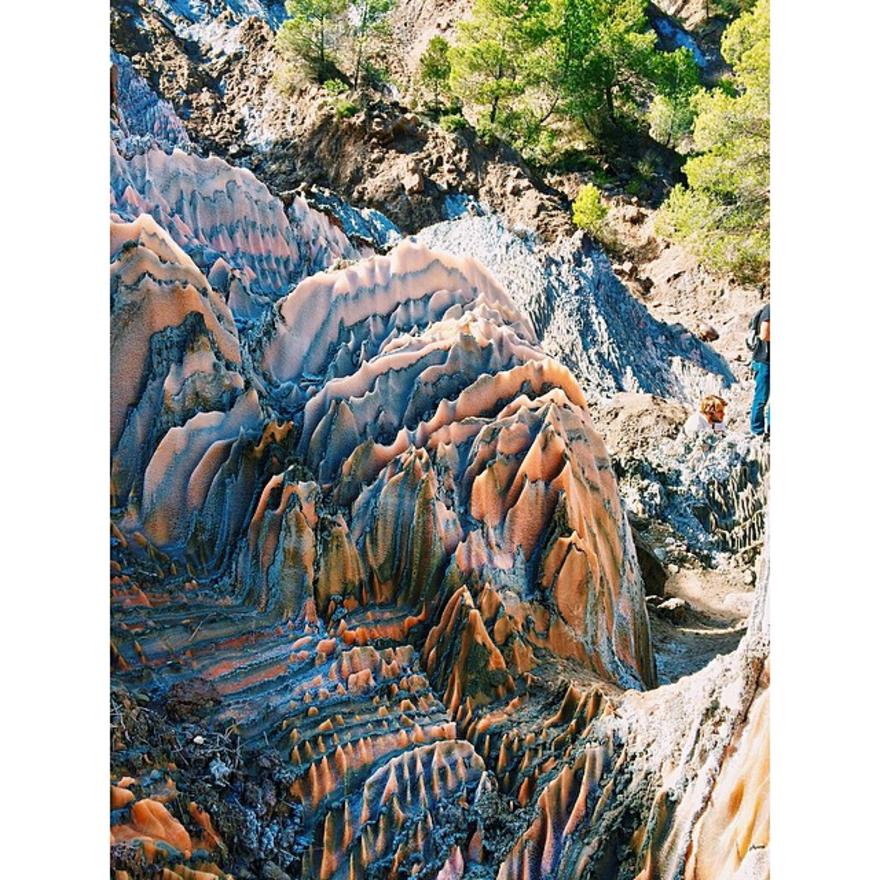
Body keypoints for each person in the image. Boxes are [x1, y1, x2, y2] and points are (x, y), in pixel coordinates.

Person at [748, 302, 770, 437]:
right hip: (764, 361)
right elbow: (764, 335)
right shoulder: (770, 309)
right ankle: (757, 431)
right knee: (761, 397)